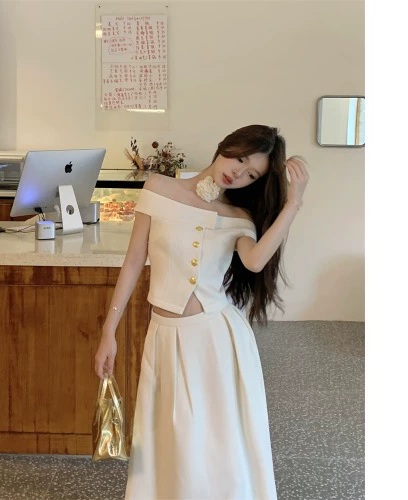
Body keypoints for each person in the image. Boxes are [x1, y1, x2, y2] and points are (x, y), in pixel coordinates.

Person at [94, 124, 309, 499]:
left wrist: (293, 204)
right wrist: (108, 331)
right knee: (170, 435)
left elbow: (255, 262)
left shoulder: (239, 216)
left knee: (216, 441)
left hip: (217, 339)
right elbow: (133, 262)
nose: (238, 174)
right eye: (241, 159)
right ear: (227, 146)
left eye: (252, 174)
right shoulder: (158, 188)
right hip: (164, 336)